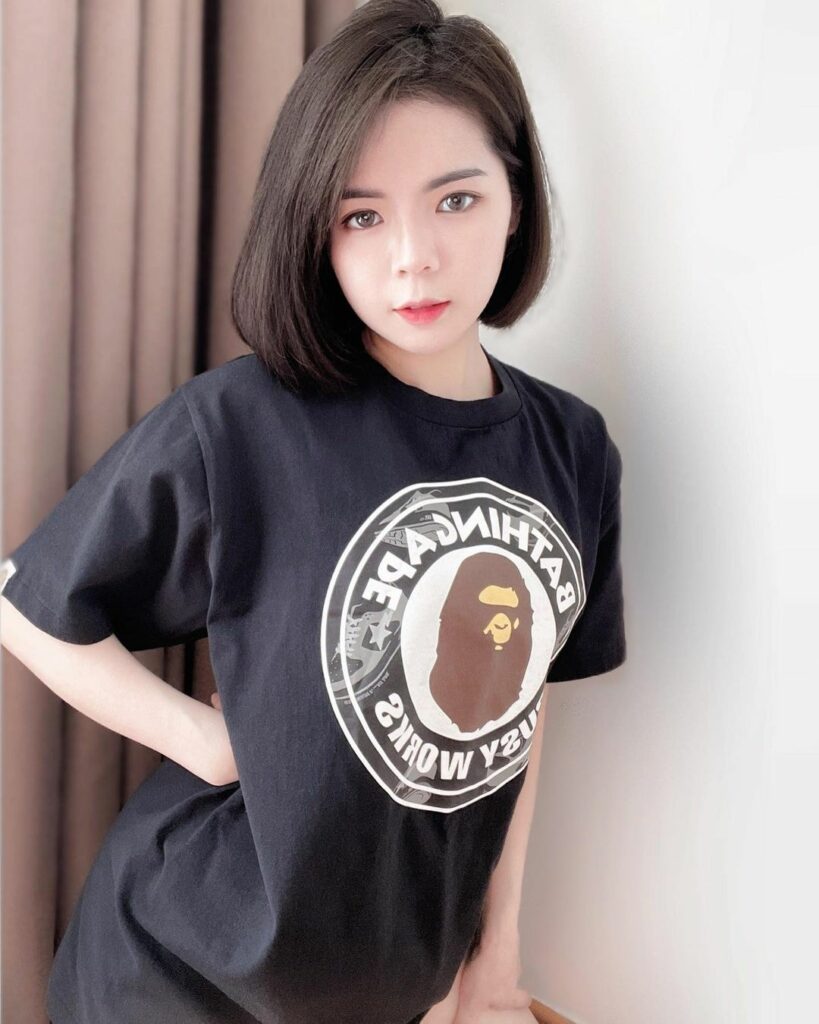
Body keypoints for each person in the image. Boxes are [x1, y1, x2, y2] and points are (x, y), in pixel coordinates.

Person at [0, 1, 627, 1021]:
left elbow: (519, 709)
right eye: (361, 215)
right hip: (172, 975)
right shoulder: (244, 423)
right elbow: (28, 603)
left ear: (515, 201)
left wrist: (495, 955)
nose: (412, 255)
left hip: (388, 989)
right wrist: (206, 743)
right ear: (317, 232)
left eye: (455, 199)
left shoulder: (571, 449)